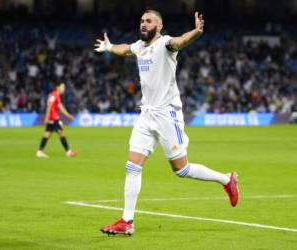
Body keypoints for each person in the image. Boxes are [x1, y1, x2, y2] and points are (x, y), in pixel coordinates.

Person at [94, 10, 239, 236]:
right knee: (132, 166)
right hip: (147, 114)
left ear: (159, 26)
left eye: (148, 21)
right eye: (141, 20)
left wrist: (196, 32)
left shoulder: (165, 44)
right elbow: (125, 49)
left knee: (182, 170)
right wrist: (110, 47)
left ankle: (227, 179)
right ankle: (127, 221)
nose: (143, 24)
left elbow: (180, 41)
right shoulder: (140, 47)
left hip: (167, 115)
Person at [36, 82, 77, 158]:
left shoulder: (57, 96)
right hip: (54, 119)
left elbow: (61, 108)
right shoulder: (54, 95)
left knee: (47, 134)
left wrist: (68, 115)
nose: (63, 89)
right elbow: (49, 106)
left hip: (53, 119)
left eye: (64, 87)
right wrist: (47, 117)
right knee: (61, 133)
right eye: (62, 87)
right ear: (57, 87)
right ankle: (68, 152)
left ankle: (39, 152)